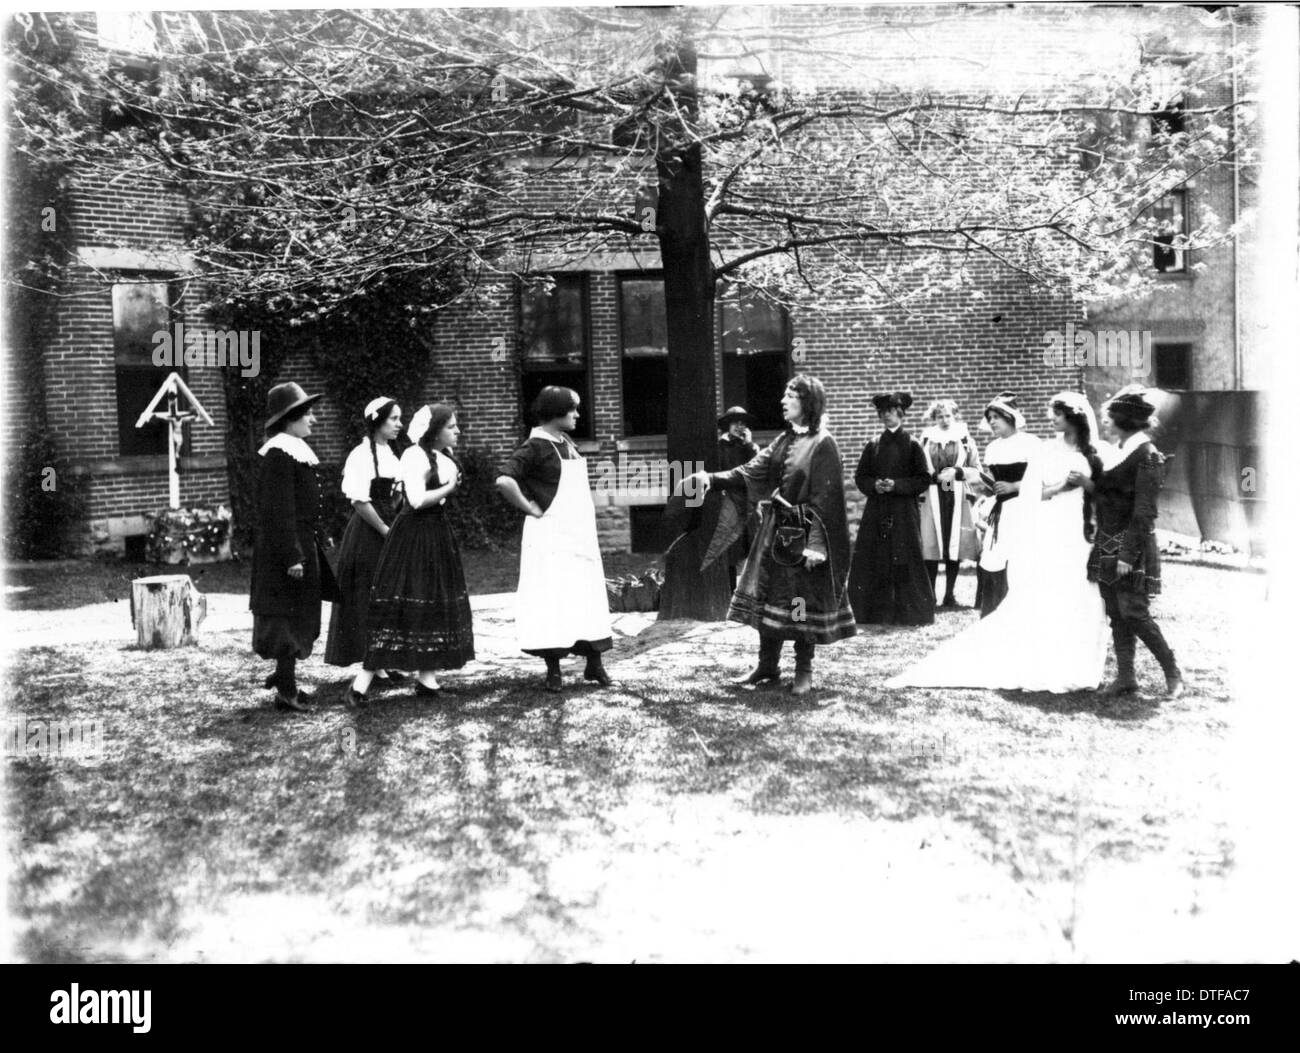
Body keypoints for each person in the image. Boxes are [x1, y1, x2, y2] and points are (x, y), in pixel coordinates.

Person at [886, 392, 1108, 693]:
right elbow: (1033, 491)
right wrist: (1060, 486)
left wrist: (1085, 484)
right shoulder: (1046, 449)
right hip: (1052, 521)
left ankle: (1076, 660)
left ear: (1074, 417)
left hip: (1080, 528)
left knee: (1080, 591)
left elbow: (1103, 493)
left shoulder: (1093, 451)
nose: (1051, 419)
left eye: (1057, 414)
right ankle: (1045, 655)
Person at [687, 374, 856, 696]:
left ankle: (803, 670)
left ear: (807, 402)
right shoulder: (782, 440)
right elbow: (750, 472)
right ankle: (767, 665)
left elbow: (827, 499)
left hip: (803, 537)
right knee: (769, 598)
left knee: (799, 601)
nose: (783, 401)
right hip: (774, 532)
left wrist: (815, 545)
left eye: (790, 396)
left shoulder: (823, 443)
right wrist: (710, 478)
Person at [353, 403, 475, 706]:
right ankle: (359, 686)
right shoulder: (413, 455)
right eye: (451, 426)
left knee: (433, 600)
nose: (457, 431)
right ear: (434, 431)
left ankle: (426, 678)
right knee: (401, 604)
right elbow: (418, 500)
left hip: (436, 534)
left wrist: (446, 487)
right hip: (413, 535)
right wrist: (447, 488)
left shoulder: (443, 457)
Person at [495, 386, 614, 693]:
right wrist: (529, 507)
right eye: (572, 409)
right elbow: (504, 480)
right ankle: (554, 669)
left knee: (585, 596)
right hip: (550, 536)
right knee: (554, 599)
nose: (577, 415)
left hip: (578, 534)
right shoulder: (536, 445)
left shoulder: (566, 442)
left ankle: (593, 664)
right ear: (556, 412)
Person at [1069, 385, 1184, 699]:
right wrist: (1088, 486)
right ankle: (1126, 676)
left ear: (1123, 419)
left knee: (1134, 611)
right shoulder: (1118, 451)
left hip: (1130, 544)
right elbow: (1110, 494)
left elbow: (1145, 511)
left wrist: (1127, 554)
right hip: (1107, 539)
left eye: (1108, 417)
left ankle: (1173, 672)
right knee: (1117, 613)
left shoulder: (1147, 455)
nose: (1103, 422)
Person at [249, 382, 339, 712]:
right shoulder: (279, 454)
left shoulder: (294, 450)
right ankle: (286, 690)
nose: (313, 419)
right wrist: (292, 555)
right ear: (291, 419)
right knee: (287, 618)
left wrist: (322, 532)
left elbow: (306, 504)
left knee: (299, 614)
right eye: (308, 413)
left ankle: (283, 677)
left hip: (301, 542)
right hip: (286, 551)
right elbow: (277, 511)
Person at [324, 397, 406, 678]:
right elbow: (359, 501)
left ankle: (382, 659)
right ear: (377, 421)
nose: (399, 424)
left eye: (400, 419)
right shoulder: (360, 455)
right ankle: (373, 662)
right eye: (394, 419)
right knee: (367, 595)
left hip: (391, 526)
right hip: (369, 533)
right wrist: (385, 529)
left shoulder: (390, 453)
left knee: (388, 593)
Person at [846, 392, 935, 626]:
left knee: (905, 556)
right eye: (882, 413)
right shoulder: (873, 445)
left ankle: (909, 612)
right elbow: (860, 476)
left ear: (900, 414)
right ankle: (874, 612)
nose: (886, 416)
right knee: (876, 556)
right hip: (878, 509)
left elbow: (924, 479)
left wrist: (898, 485)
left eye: (891, 412)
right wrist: (874, 485)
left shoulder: (913, 444)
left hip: (904, 510)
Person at [976, 393, 1041, 617]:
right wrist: (976, 480)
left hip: (1024, 509)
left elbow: (1042, 480)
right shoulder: (993, 447)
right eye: (989, 417)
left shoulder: (1031, 444)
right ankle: (993, 616)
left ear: (1010, 417)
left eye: (996, 417)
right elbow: (992, 482)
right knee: (993, 560)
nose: (992, 421)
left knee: (1020, 561)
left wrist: (1014, 487)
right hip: (1001, 511)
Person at [918, 398, 982, 608]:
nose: (944, 420)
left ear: (955, 416)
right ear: (933, 418)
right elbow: (917, 466)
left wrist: (958, 472)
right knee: (932, 542)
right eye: (939, 416)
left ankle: (949, 594)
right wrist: (929, 477)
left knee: (954, 543)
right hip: (934, 493)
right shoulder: (926, 439)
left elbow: (976, 468)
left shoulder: (964, 438)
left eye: (948, 416)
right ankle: (931, 595)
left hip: (956, 493)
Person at [716, 406, 760, 591]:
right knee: (730, 554)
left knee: (756, 549)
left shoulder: (751, 448)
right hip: (729, 504)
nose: (739, 427)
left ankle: (754, 595)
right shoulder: (720, 447)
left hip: (749, 504)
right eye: (735, 423)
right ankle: (729, 593)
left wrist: (749, 445)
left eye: (743, 423)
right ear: (728, 425)